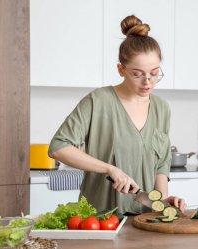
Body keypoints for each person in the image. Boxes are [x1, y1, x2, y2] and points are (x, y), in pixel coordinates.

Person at [48, 15, 186, 214]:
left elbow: (161, 165)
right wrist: (109, 169)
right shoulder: (98, 101)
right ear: (121, 69)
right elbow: (58, 147)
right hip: (100, 220)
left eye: (154, 73)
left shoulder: (162, 108)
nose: (147, 82)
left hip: (147, 220)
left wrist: (164, 203)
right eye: (137, 74)